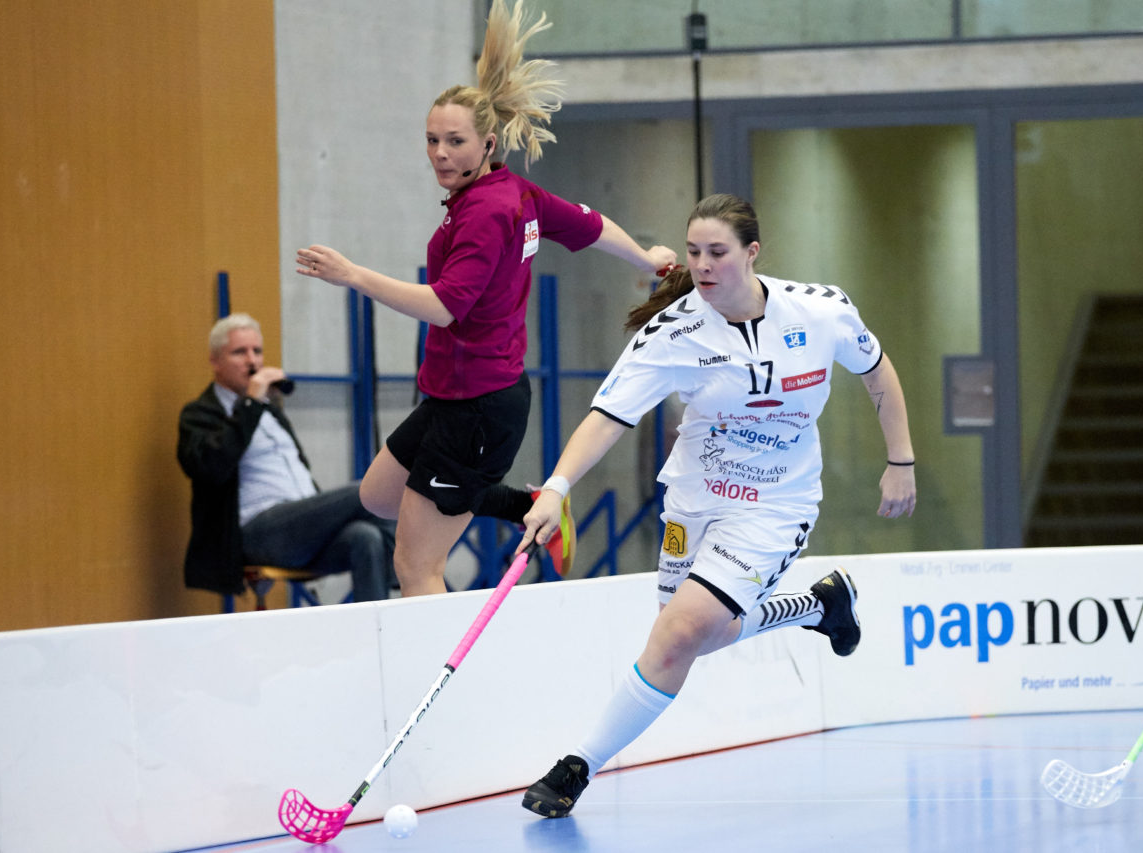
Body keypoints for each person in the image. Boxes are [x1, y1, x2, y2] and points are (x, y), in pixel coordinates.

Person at [517, 193, 917, 817]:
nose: (702, 266)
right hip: (694, 499)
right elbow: (607, 419)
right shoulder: (672, 331)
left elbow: (877, 371)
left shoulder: (819, 311)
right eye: (695, 253)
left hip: (775, 505)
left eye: (718, 254)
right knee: (694, 637)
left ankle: (576, 768)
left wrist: (901, 461)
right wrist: (556, 489)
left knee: (678, 635)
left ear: (752, 253)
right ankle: (818, 605)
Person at [295, 0, 676, 597]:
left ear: (488, 143)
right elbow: (589, 223)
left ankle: (443, 685)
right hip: (451, 396)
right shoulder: (513, 194)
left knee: (415, 566)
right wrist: (645, 256)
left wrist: (354, 275)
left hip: (479, 408)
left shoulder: (489, 212)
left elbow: (445, 307)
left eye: (454, 142)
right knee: (378, 495)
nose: (441, 153)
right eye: (432, 141)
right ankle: (527, 503)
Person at [177, 313, 396, 603]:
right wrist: (250, 403)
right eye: (239, 352)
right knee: (366, 491)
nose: (252, 361)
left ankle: (379, 633)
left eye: (257, 351)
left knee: (365, 537)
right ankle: (420, 578)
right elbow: (211, 467)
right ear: (215, 361)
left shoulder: (270, 410)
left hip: (303, 529)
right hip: (258, 533)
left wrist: (259, 404)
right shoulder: (200, 414)